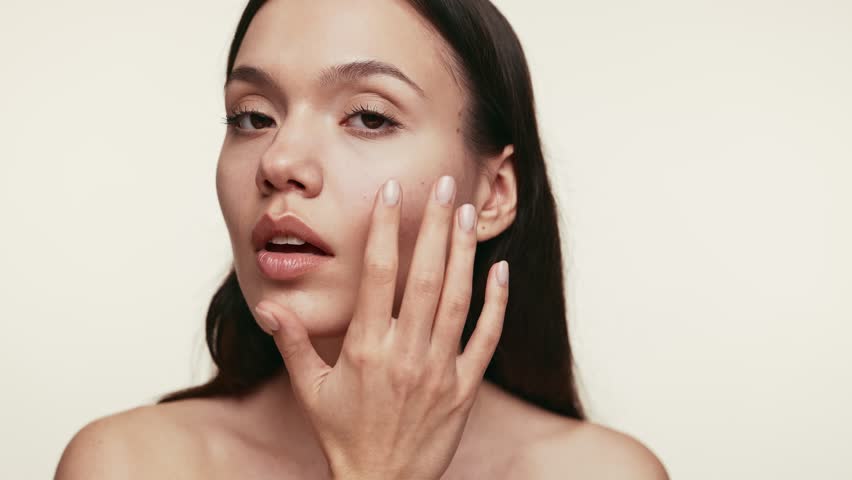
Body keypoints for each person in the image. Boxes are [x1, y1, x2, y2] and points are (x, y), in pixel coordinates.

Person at [55, 0, 669, 478]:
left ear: (494, 194)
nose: (280, 160)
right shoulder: (125, 465)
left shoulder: (605, 473)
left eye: (369, 117)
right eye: (253, 117)